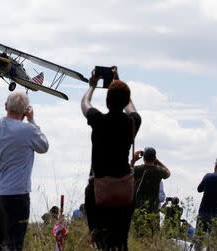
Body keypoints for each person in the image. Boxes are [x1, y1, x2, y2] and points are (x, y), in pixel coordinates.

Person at [81, 67, 141, 251]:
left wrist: (92, 86)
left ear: (107, 102)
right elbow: (130, 105)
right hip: (124, 190)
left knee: (100, 241)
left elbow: (85, 103)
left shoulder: (97, 120)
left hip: (98, 188)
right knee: (121, 242)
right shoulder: (132, 122)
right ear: (123, 102)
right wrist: (117, 81)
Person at [0, 91, 49, 251]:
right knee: (14, 243)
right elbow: (44, 146)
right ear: (26, 110)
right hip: (17, 195)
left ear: (5, 106)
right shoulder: (28, 130)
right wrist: (32, 120)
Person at [130, 147, 170, 236]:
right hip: (154, 210)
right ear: (154, 158)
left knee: (137, 236)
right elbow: (168, 172)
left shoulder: (137, 170)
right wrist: (157, 161)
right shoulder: (159, 171)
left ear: (143, 158)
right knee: (152, 237)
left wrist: (133, 160)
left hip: (138, 209)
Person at [194, 158, 217, 249]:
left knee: (199, 239)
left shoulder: (208, 176)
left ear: (215, 166)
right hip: (216, 215)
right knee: (213, 242)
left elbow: (199, 189)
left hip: (203, 212)